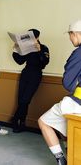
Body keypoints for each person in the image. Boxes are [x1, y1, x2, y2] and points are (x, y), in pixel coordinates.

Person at [38, 20, 81, 165]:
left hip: (78, 103)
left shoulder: (79, 53)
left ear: (75, 34)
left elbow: (68, 83)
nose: (70, 39)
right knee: (66, 127)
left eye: (70, 35)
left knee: (43, 122)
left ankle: (61, 160)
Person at [12, 29, 50, 133]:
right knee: (21, 100)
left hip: (36, 74)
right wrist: (15, 50)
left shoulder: (44, 48)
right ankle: (21, 123)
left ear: (36, 37)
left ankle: (16, 120)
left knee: (25, 100)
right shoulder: (27, 48)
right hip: (25, 74)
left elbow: (45, 62)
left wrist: (39, 51)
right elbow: (19, 61)